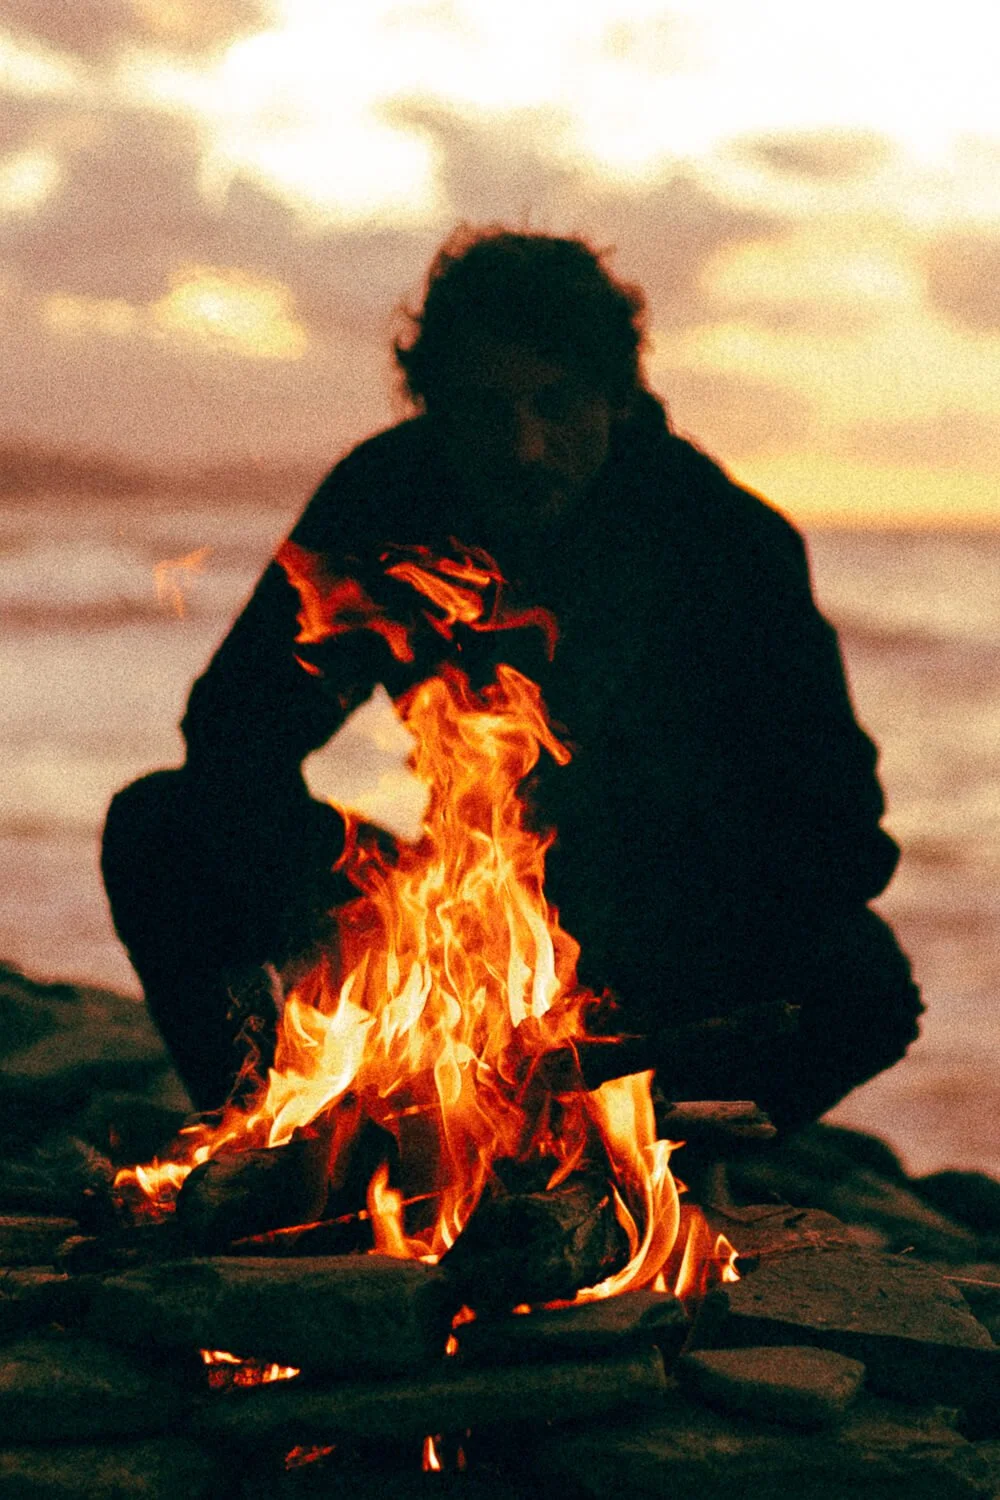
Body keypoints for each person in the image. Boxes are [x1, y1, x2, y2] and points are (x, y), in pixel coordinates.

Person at [101, 227, 922, 1124]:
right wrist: (394, 934)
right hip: (457, 922)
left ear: (618, 397)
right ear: (436, 407)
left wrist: (640, 910)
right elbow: (233, 729)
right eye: (488, 412)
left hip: (659, 951)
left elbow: (843, 837)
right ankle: (280, 1144)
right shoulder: (390, 498)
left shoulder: (724, 541)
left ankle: (626, 1146)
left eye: (558, 405)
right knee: (164, 828)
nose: (526, 447)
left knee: (861, 982)